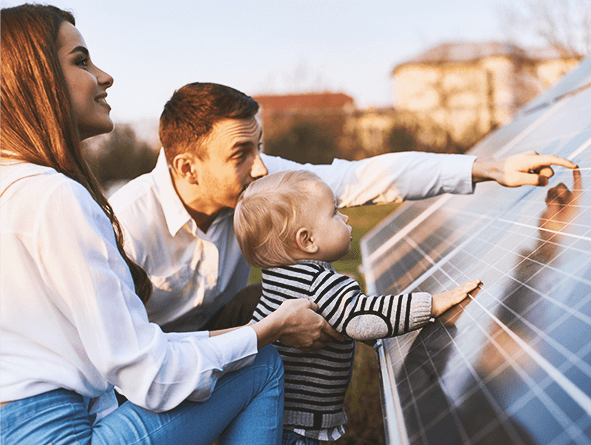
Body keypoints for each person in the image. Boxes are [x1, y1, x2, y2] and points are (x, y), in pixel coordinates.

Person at [0, 5, 339, 444]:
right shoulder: (55, 197)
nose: (105, 77)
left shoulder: (15, 189)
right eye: (81, 61)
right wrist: (265, 331)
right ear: (36, 81)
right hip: (60, 433)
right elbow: (149, 376)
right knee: (262, 362)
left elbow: (133, 354)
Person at [110, 82, 578, 334]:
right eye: (240, 156)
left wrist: (487, 167)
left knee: (293, 299)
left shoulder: (260, 183)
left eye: (260, 148)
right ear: (187, 168)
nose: (259, 171)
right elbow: (118, 354)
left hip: (222, 336)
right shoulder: (126, 226)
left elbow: (361, 177)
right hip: (152, 367)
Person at [233, 169, 483, 444]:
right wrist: (431, 304)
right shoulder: (321, 284)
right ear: (307, 240)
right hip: (299, 430)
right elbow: (362, 318)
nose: (346, 217)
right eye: (335, 212)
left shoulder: (278, 280)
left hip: (277, 418)